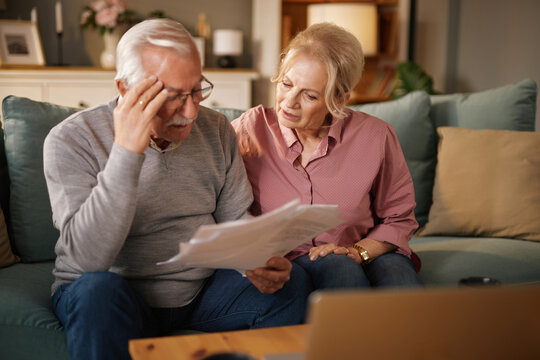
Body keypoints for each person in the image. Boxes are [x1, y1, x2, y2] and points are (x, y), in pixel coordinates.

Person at [43, 19, 311, 360]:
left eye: (197, 89)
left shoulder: (216, 129)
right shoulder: (72, 139)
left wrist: (256, 261)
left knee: (293, 283)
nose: (190, 111)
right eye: (172, 97)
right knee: (98, 292)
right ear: (126, 89)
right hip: (111, 291)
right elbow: (88, 260)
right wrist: (127, 152)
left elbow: (234, 219)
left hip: (200, 293)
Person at [232, 22, 423, 291]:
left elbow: (398, 219)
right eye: (286, 84)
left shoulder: (376, 136)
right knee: (340, 269)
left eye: (309, 95)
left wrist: (358, 252)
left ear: (339, 99)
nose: (289, 102)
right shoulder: (250, 128)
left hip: (365, 251)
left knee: (401, 285)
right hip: (289, 262)